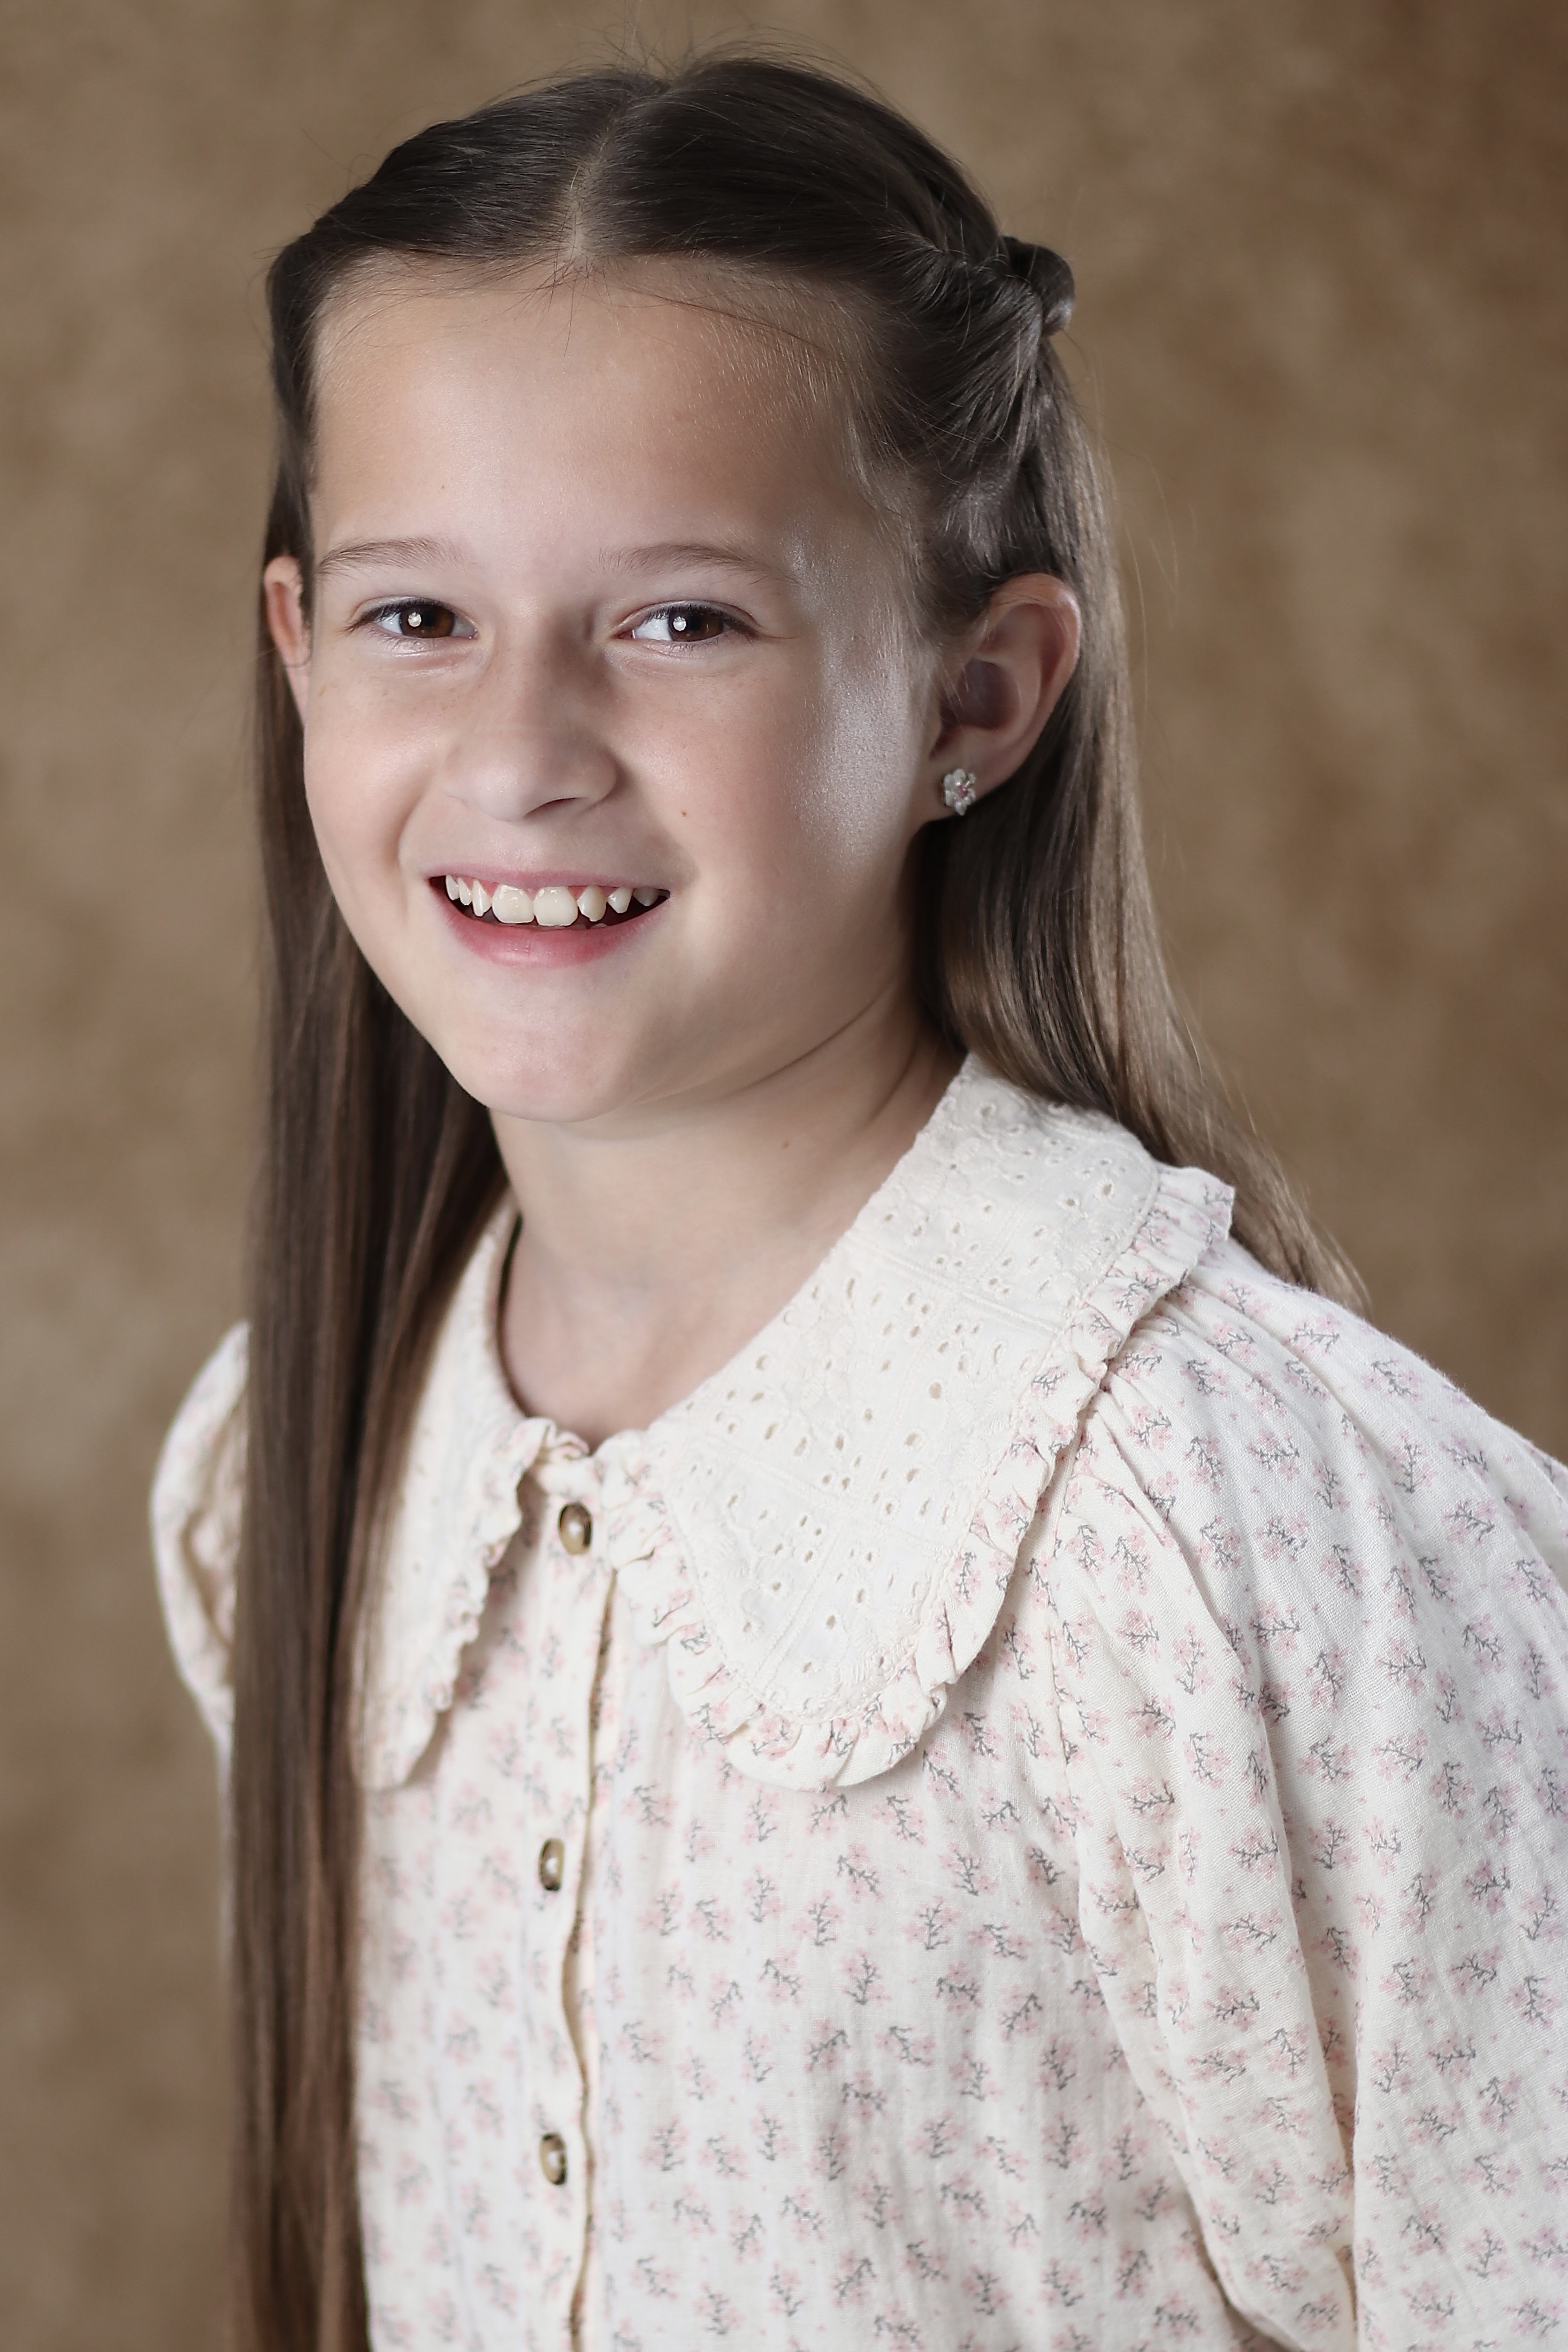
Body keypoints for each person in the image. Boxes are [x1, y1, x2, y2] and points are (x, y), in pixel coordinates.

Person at [151, 52, 1568, 2352]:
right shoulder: (297, 1466)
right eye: (421, 619)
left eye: (681, 621)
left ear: (973, 697)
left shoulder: (1228, 1534)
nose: (520, 752)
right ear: (297, 648)